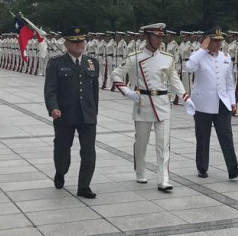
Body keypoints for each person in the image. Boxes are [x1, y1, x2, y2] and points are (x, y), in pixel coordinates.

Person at [111, 23, 188, 192]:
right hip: (143, 104)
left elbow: (174, 80)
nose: (160, 40)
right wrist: (127, 92)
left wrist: (186, 97)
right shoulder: (135, 57)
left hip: (162, 103)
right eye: (156, 36)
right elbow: (115, 74)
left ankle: (164, 179)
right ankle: (140, 171)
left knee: (163, 144)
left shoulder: (167, 58)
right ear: (147, 37)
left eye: (161, 37)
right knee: (141, 143)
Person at [44, 26, 99, 199]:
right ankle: (60, 171)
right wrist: (53, 108)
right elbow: (50, 89)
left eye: (81, 41)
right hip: (64, 114)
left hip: (87, 115)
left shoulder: (92, 63)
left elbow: (94, 90)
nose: (79, 45)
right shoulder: (56, 63)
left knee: (89, 152)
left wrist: (94, 111)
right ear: (66, 44)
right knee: (62, 148)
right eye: (75, 42)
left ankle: (84, 186)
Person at [185, 27, 238, 179]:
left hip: (222, 103)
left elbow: (229, 84)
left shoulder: (225, 57)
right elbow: (189, 67)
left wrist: (232, 102)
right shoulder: (199, 56)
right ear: (208, 41)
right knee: (203, 137)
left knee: (226, 136)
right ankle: (202, 168)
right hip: (203, 104)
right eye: (215, 40)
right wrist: (202, 49)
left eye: (220, 40)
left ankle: (233, 169)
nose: (219, 43)